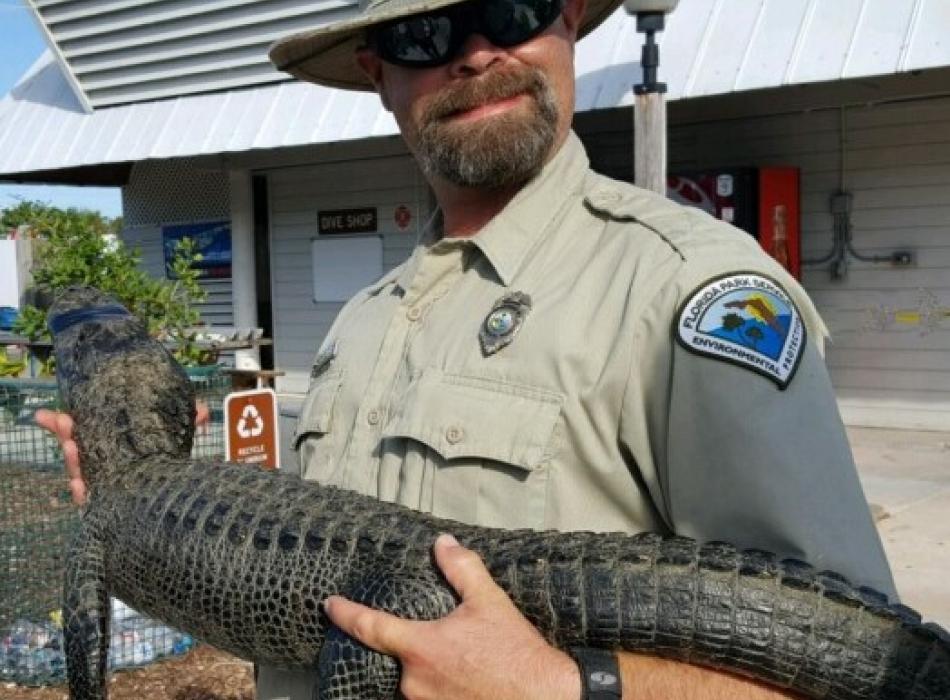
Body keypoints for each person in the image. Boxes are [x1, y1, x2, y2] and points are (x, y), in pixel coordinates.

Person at [40, 0, 897, 696]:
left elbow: (855, 667)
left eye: (511, 7)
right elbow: (311, 585)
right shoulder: (365, 319)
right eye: (427, 33)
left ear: (565, 18)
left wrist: (569, 688)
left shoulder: (689, 288)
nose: (477, 53)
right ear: (380, 73)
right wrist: (150, 518)